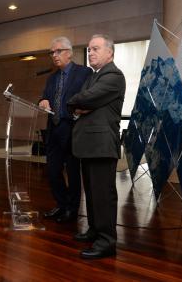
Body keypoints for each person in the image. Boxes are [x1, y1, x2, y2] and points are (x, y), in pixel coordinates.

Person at [67, 34, 126, 259]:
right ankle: (94, 230)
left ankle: (107, 241)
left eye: (95, 49)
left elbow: (83, 99)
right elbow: (79, 100)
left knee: (103, 195)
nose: (90, 52)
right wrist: (79, 104)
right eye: (89, 49)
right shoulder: (94, 76)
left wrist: (79, 104)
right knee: (91, 193)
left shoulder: (113, 75)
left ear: (109, 52)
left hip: (101, 145)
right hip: (89, 145)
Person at [38, 36, 92, 223]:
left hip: (72, 129)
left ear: (69, 52)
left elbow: (89, 99)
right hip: (53, 130)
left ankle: (72, 209)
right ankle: (61, 204)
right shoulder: (52, 78)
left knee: (73, 173)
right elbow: (44, 98)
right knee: (53, 172)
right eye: (51, 52)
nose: (54, 55)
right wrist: (43, 101)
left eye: (58, 51)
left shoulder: (84, 73)